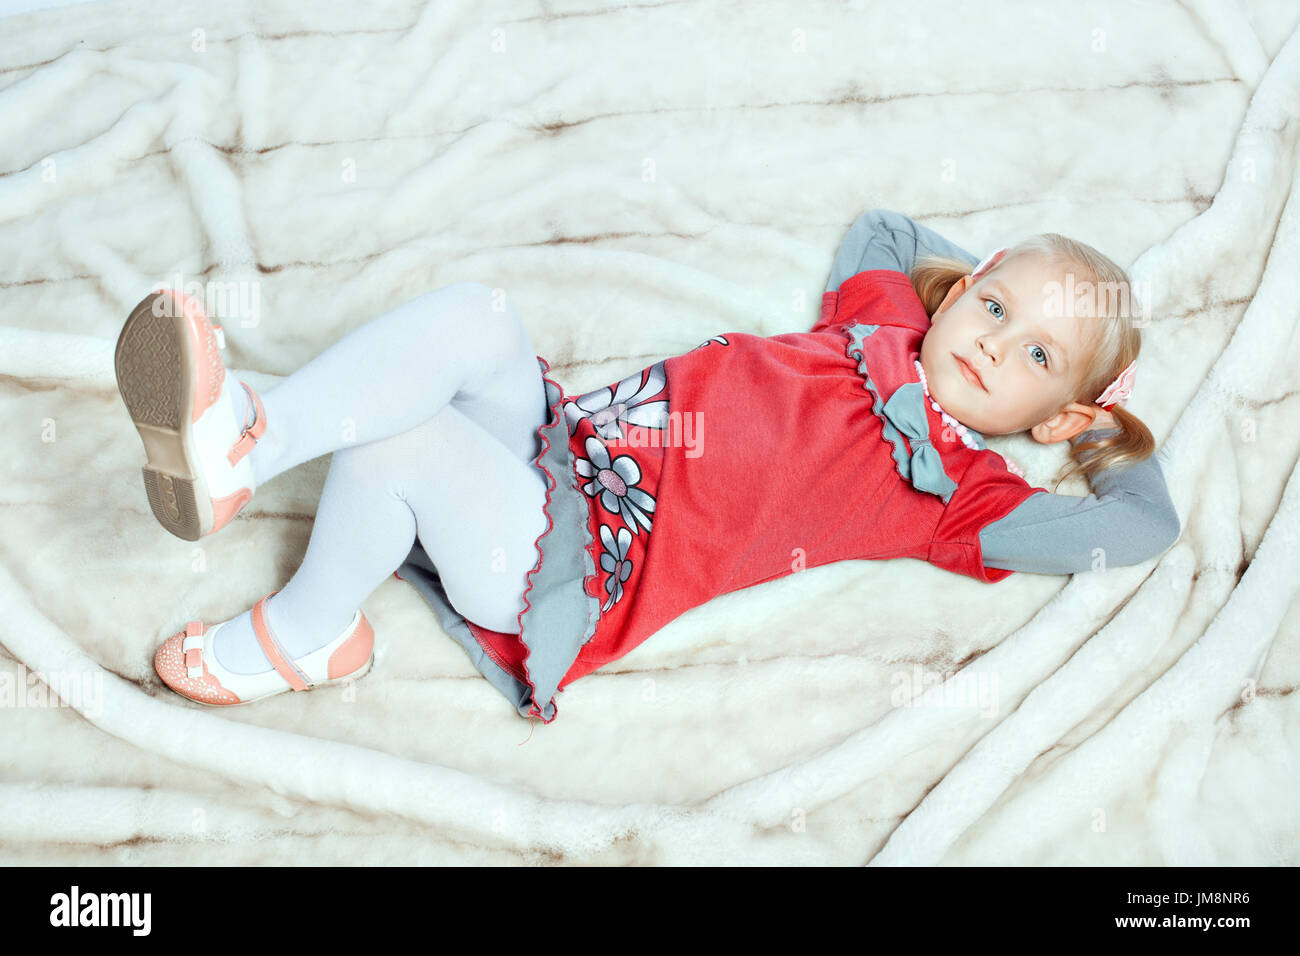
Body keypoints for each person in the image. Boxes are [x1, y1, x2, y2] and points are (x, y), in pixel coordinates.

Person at [115, 209, 1179, 721]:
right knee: (480, 318)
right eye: (993, 306)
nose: (994, 342)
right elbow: (887, 230)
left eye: (1035, 354)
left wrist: (1094, 434)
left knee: (407, 441)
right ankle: (257, 432)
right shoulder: (882, 318)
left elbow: (1137, 527)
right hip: (566, 443)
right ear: (960, 293)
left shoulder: (958, 495)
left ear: (1059, 408)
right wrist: (975, 275)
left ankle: (307, 635)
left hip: (584, 561)